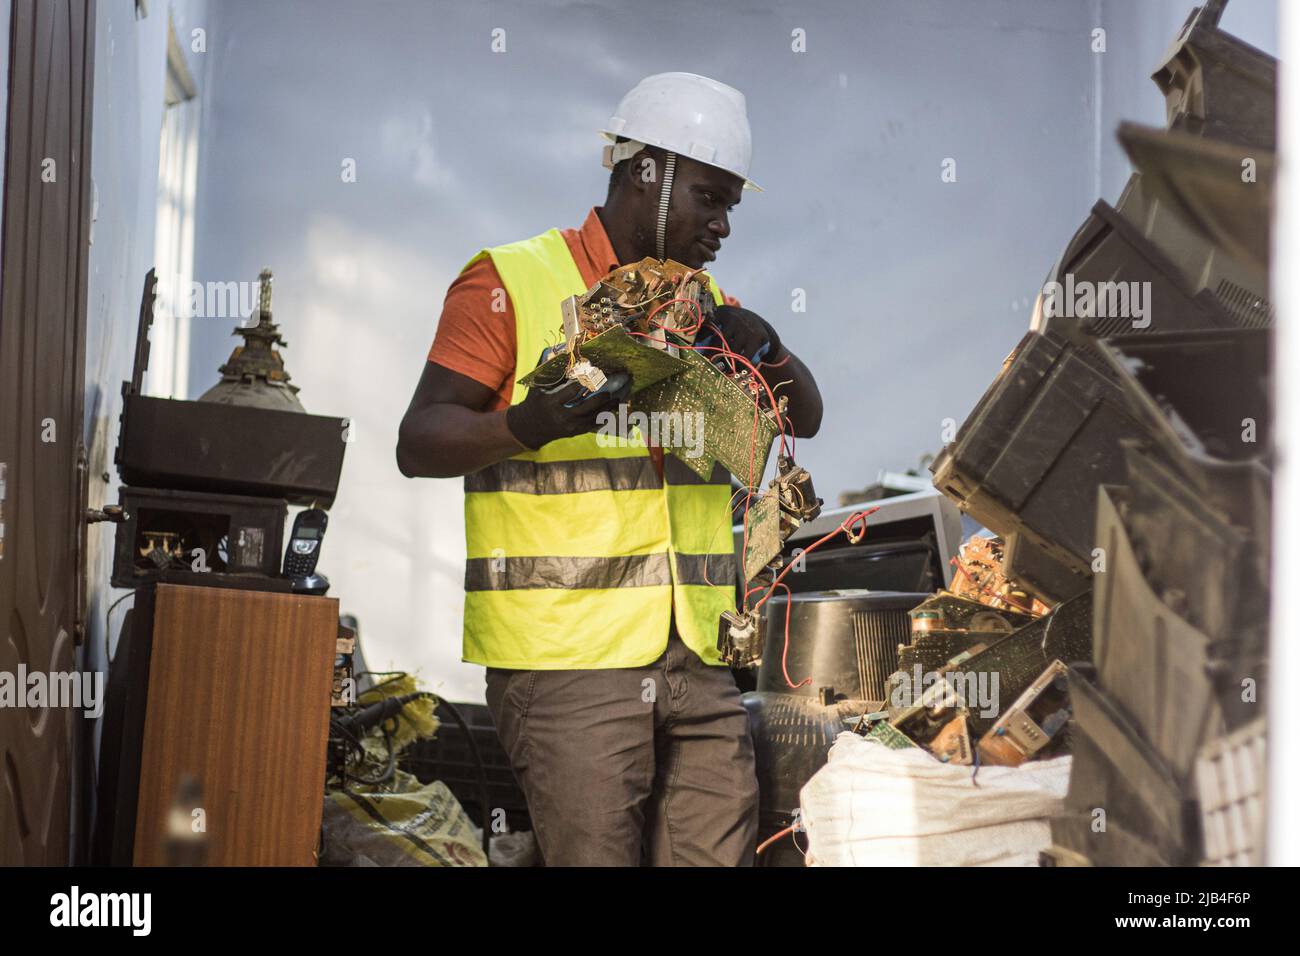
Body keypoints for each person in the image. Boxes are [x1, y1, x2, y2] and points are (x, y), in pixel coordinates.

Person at [397, 72, 822, 865]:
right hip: (567, 664)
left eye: (733, 204)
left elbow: (804, 419)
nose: (723, 224)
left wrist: (769, 345)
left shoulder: (705, 305)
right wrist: (525, 425)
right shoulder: (510, 282)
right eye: (710, 197)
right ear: (645, 173)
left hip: (695, 658)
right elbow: (417, 441)